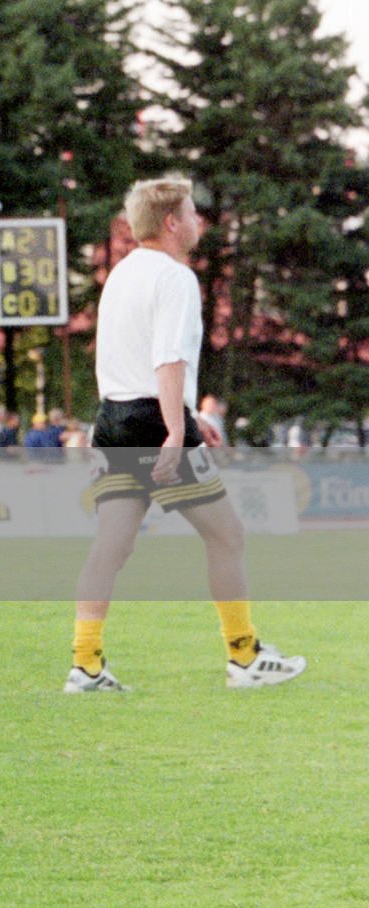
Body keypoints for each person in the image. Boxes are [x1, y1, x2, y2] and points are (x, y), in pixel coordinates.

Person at [66, 175, 305, 693]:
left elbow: (125, 360)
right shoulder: (174, 278)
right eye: (193, 213)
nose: (200, 221)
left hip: (113, 420)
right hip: (155, 421)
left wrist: (188, 421)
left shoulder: (121, 274)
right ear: (172, 222)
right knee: (227, 536)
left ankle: (85, 666)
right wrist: (177, 430)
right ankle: (244, 657)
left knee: (111, 547)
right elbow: (167, 360)